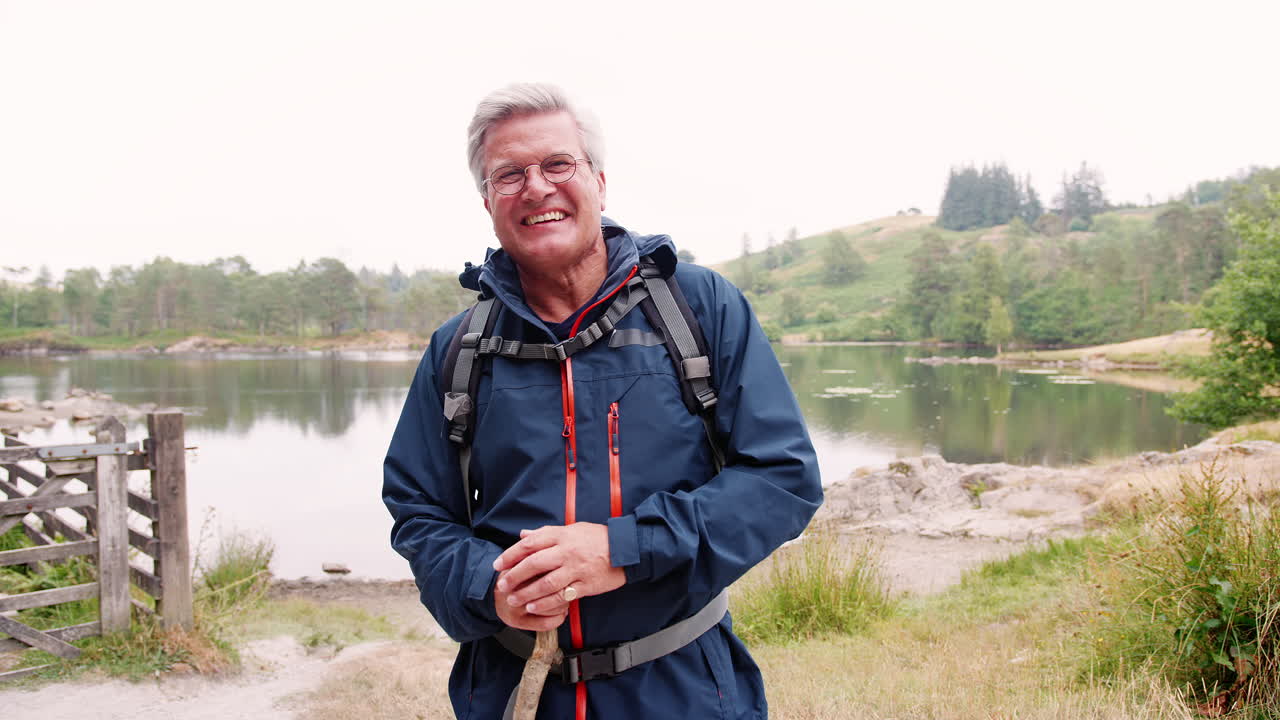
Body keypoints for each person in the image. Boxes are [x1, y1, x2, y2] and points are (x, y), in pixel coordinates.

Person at [383, 82, 822, 720]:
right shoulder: (460, 349)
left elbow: (782, 480)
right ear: (487, 201)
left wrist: (622, 549)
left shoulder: (698, 309)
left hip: (684, 692)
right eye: (509, 174)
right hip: (512, 693)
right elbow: (419, 512)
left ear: (599, 181)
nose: (536, 187)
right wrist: (491, 587)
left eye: (558, 164)